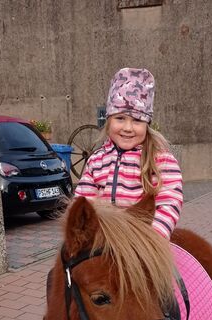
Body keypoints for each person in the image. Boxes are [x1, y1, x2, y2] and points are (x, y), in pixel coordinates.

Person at [74, 67, 183, 239]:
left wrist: (152, 238)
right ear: (108, 121)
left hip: (142, 240)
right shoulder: (97, 160)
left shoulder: (162, 161)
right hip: (102, 241)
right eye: (120, 118)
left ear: (147, 125)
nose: (127, 128)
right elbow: (83, 202)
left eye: (137, 120)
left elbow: (169, 203)